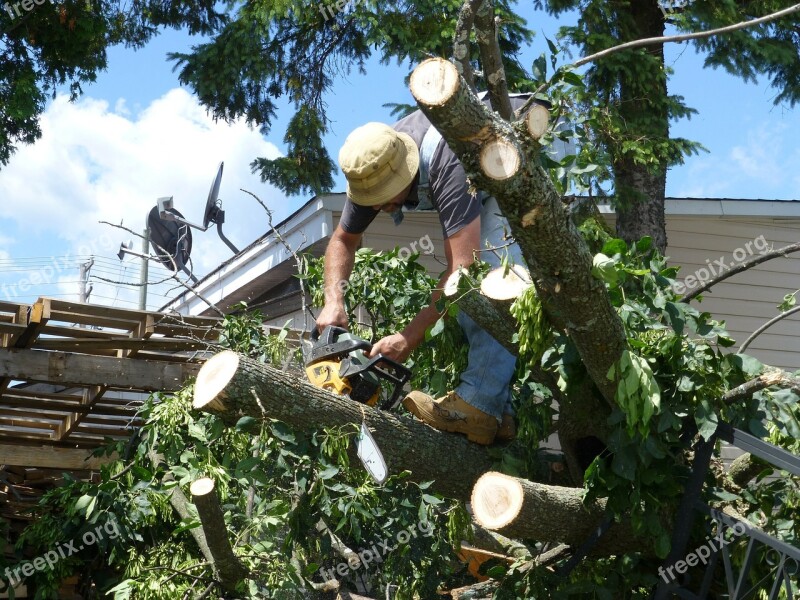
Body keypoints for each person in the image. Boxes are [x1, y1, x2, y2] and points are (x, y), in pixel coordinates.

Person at [316, 108, 525, 445]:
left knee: (491, 273)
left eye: (385, 200)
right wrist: (333, 300)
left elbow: (463, 270)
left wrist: (408, 336)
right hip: (477, 175)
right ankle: (502, 413)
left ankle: (481, 406)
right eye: (373, 201)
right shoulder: (371, 167)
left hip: (506, 159)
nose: (380, 208)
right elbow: (342, 240)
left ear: (406, 171)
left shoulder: (448, 160)